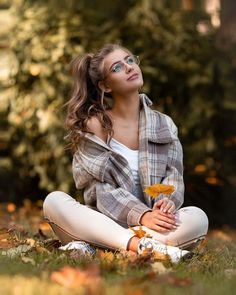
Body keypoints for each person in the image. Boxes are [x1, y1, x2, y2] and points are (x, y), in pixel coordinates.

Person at [43, 43, 209, 263]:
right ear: (105, 86)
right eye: (117, 68)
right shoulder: (94, 125)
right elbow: (100, 191)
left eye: (130, 60)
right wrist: (142, 215)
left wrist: (166, 202)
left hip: (152, 227)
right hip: (103, 223)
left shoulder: (164, 124)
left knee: (198, 217)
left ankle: (102, 248)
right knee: (53, 202)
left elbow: (173, 176)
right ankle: (140, 246)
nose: (130, 67)